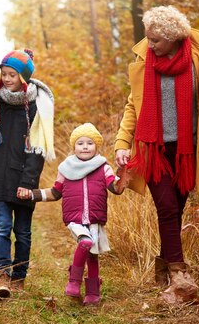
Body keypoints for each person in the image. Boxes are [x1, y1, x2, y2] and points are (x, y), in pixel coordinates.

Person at [114, 5, 199, 286]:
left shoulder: (198, 61)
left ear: (173, 37)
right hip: (153, 150)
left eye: (156, 40)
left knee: (176, 208)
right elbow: (132, 105)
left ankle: (163, 268)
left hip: (188, 151)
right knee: (166, 207)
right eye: (149, 38)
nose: (150, 45)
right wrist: (122, 143)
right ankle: (179, 273)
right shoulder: (145, 60)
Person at [19, 123, 123, 306]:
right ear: (73, 146)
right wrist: (32, 194)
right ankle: (74, 282)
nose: (84, 146)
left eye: (89, 143)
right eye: (80, 143)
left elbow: (114, 187)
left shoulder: (103, 167)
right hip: (74, 219)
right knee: (86, 242)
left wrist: (124, 180)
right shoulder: (66, 169)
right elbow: (55, 193)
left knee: (93, 255)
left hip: (94, 218)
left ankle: (92, 293)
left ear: (96, 146)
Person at [0, 49, 55, 298]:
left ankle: (18, 276)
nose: (7, 78)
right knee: (2, 226)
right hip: (0, 178)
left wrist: (28, 182)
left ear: (23, 77)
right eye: (4, 74)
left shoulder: (36, 106)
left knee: (22, 231)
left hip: (24, 180)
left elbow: (38, 149)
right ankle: (1, 275)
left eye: (12, 74)